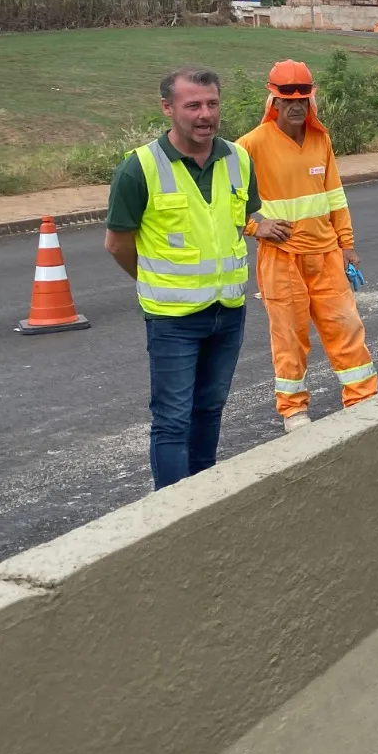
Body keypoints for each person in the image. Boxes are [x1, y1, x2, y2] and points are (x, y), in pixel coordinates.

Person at [105, 67, 284, 489]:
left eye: (212, 104)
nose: (206, 114)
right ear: (168, 108)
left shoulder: (239, 159)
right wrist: (154, 279)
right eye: (193, 105)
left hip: (228, 313)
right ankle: (171, 512)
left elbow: (238, 218)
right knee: (172, 419)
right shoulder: (139, 168)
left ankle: (201, 497)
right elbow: (118, 244)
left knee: (210, 409)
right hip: (173, 319)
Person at [237, 60, 377, 431]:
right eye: (289, 98)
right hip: (281, 258)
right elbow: (228, 201)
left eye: (304, 98)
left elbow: (335, 196)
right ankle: (293, 409)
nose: (297, 105)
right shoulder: (250, 146)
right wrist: (256, 226)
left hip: (327, 255)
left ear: (311, 99)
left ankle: (362, 398)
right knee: (289, 335)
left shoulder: (321, 140)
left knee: (346, 327)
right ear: (274, 101)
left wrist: (346, 245)